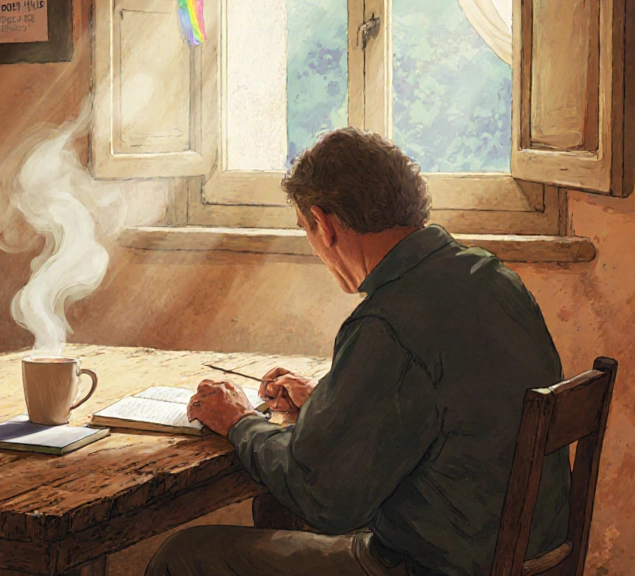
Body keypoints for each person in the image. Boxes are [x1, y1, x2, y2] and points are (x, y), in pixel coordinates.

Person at [148, 128, 570, 576]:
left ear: (324, 223)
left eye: (306, 229)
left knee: (184, 556)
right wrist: (330, 404)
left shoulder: (387, 322)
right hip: (529, 558)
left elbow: (323, 497)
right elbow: (445, 409)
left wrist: (240, 421)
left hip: (431, 567)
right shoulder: (492, 278)